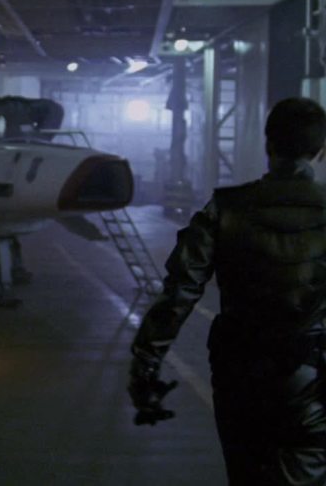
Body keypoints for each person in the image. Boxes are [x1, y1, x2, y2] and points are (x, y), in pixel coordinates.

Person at [128, 97, 326, 485]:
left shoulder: (225, 208)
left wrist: (146, 365)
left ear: (268, 145)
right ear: (321, 151)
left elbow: (179, 293)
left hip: (240, 376)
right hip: (313, 380)